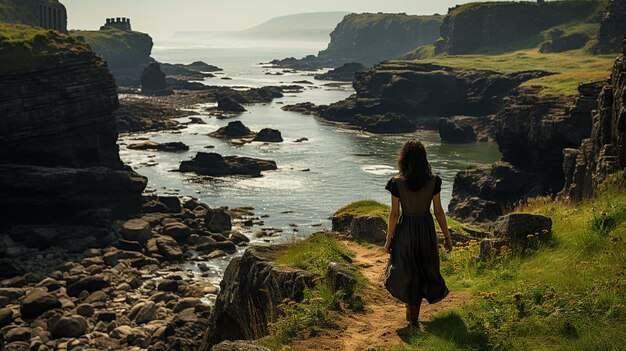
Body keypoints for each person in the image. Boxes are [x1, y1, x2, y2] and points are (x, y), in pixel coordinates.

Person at [383, 139, 452, 328]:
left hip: (405, 230)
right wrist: (447, 237)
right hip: (426, 231)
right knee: (424, 269)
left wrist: (388, 240)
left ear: (404, 159)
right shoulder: (434, 181)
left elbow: (395, 214)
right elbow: (438, 211)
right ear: (424, 158)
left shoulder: (396, 183)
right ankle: (413, 315)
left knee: (407, 269)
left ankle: (411, 313)